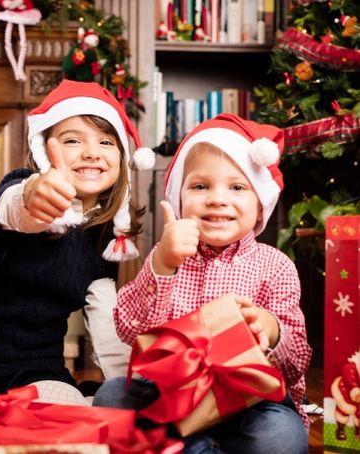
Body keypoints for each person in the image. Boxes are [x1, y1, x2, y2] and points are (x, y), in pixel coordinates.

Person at [93, 114, 312, 453]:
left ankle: (194, 447)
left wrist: (271, 330)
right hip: (171, 394)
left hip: (248, 399)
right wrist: (163, 264)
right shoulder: (165, 255)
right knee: (110, 397)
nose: (217, 199)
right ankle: (196, 445)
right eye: (200, 186)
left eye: (237, 187)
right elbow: (128, 329)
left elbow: (297, 362)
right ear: (179, 200)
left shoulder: (275, 265)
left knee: (282, 435)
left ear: (259, 208)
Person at [0, 79, 156, 405]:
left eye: (106, 142)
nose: (91, 152)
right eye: (72, 140)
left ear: (123, 157)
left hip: (36, 371)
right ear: (45, 152)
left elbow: (105, 319)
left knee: (92, 420)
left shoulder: (100, 235)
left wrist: (130, 391)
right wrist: (36, 196)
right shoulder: (20, 188)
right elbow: (17, 208)